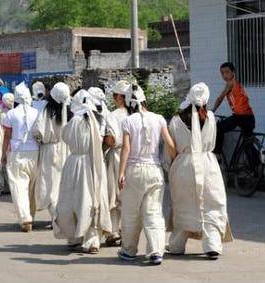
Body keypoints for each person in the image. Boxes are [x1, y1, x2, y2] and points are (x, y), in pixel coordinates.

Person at [167, 83, 232, 259]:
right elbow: (213, 141)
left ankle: (177, 244)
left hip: (183, 165)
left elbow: (171, 147)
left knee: (183, 204)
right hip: (207, 164)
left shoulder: (176, 120)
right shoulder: (210, 117)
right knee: (212, 203)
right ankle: (212, 245)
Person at [117, 84, 175, 266]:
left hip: (134, 172)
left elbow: (126, 148)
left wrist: (121, 172)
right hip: (154, 171)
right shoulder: (159, 119)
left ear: (129, 103)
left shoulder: (127, 121)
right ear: (144, 100)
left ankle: (128, 251)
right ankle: (156, 251)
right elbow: (169, 144)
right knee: (154, 212)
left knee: (131, 212)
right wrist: (174, 161)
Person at [55, 90, 112, 254]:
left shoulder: (73, 122)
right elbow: (107, 139)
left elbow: (65, 137)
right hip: (95, 162)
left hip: (75, 163)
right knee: (93, 199)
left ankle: (74, 236)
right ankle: (92, 239)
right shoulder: (100, 120)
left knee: (74, 200)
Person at [1, 82, 40, 232]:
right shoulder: (36, 112)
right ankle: (31, 215)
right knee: (31, 187)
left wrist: (3, 154)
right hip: (34, 153)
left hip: (16, 153)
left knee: (18, 186)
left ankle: (25, 218)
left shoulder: (10, 114)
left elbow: (6, 136)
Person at [33, 82, 71, 226]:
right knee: (62, 183)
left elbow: (38, 131)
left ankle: (55, 216)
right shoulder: (70, 111)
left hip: (49, 149)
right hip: (65, 149)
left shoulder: (46, 110)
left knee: (49, 184)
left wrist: (40, 141)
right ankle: (61, 216)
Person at [103, 80, 130, 246]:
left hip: (117, 155)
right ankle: (128, 230)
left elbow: (111, 140)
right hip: (134, 156)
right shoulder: (134, 115)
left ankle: (114, 231)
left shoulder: (113, 116)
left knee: (113, 194)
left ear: (119, 97)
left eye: (114, 96)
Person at [211, 62, 255, 155]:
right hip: (249, 117)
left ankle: (217, 156)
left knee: (218, 128)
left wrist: (213, 110)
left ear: (233, 72)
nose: (225, 75)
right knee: (247, 142)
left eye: (227, 72)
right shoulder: (236, 84)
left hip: (240, 117)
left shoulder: (230, 83)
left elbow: (220, 98)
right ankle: (256, 164)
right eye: (222, 73)